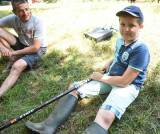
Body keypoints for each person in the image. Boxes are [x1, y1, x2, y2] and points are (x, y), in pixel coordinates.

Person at [25, 5, 150, 134]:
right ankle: (47, 126)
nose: (126, 29)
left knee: (106, 113)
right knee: (75, 88)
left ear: (141, 26)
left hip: (128, 86)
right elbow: (119, 56)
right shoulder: (120, 40)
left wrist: (101, 77)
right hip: (111, 77)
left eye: (131, 25)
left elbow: (124, 81)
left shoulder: (141, 49)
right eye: (122, 24)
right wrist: (110, 62)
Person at [0, 0, 47, 98]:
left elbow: (35, 47)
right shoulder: (13, 19)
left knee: (16, 66)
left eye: (27, 9)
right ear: (14, 12)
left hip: (37, 50)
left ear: (29, 7)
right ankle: (13, 57)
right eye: (21, 11)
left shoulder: (37, 22)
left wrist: (14, 53)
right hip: (22, 44)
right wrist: (2, 48)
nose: (25, 13)